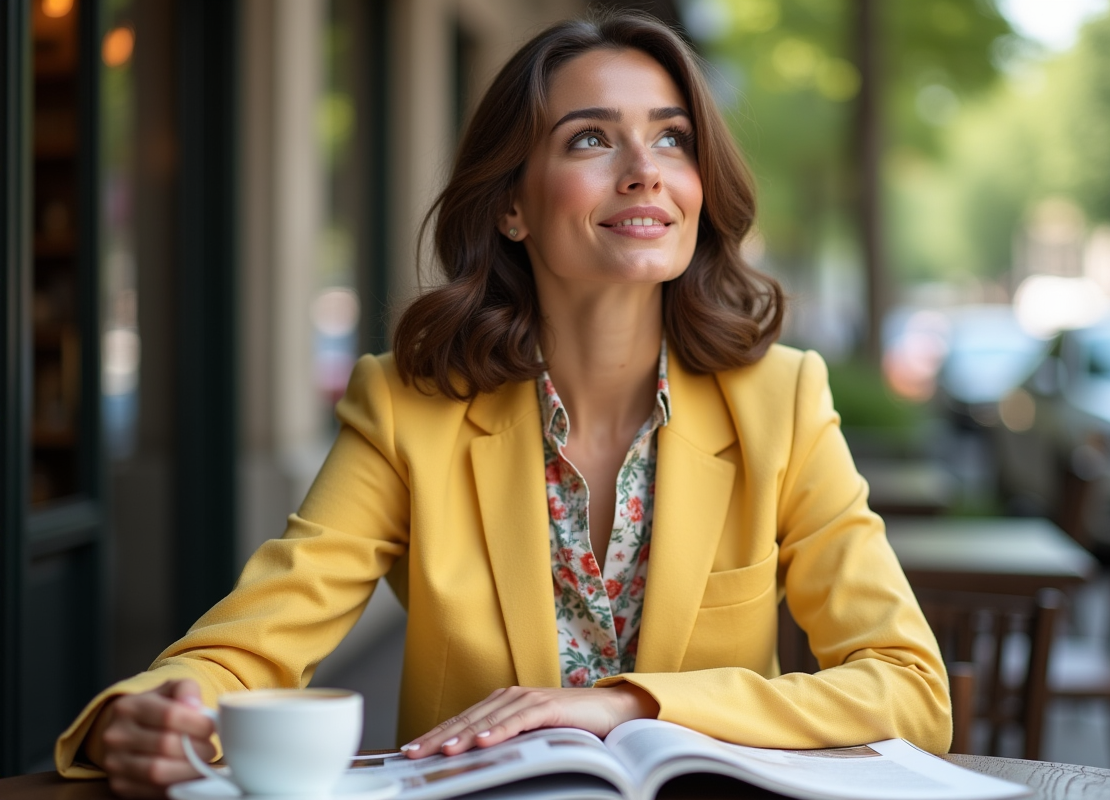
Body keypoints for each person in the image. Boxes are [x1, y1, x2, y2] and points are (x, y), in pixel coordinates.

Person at [56, 11, 950, 797]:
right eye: (592, 139)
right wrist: (140, 717)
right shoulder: (411, 407)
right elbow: (251, 645)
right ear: (513, 207)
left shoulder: (782, 400)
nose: (645, 170)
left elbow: (910, 688)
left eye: (673, 138)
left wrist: (626, 706)